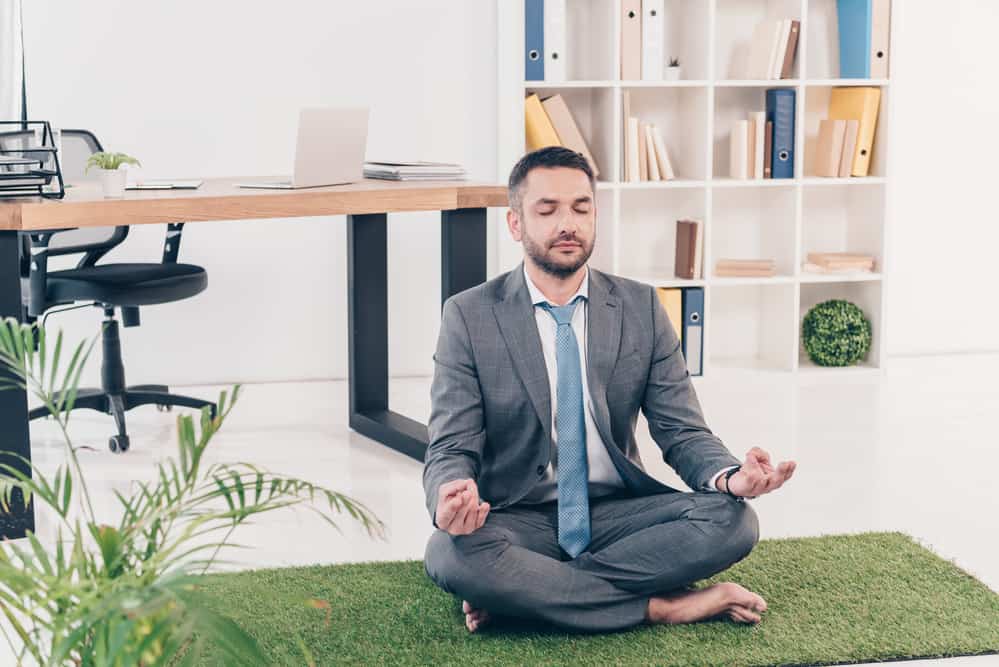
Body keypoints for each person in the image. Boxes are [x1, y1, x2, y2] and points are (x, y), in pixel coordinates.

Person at [423, 146, 796, 633]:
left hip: (619, 514)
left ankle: (526, 595)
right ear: (515, 224)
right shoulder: (469, 315)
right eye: (547, 209)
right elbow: (451, 444)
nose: (568, 223)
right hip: (519, 517)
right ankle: (663, 606)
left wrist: (731, 477)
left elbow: (682, 430)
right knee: (451, 552)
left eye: (581, 207)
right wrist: (450, 493)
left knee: (733, 521)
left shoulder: (639, 306)